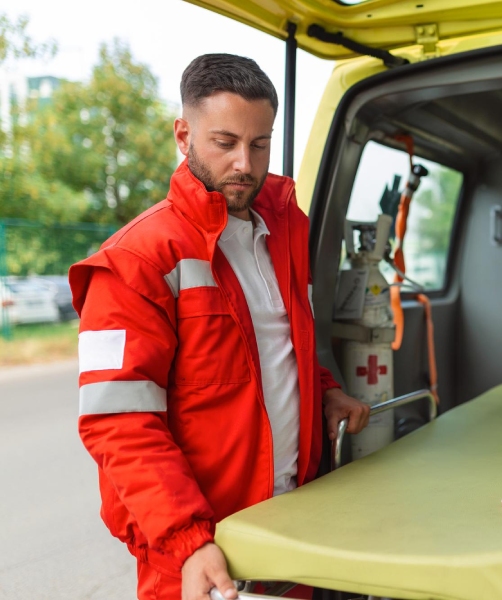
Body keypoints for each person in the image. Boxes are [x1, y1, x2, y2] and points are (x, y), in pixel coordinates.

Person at [69, 54, 371, 600]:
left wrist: (324, 393)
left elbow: (284, 349)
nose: (245, 164)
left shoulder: (284, 230)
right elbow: (118, 421)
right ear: (183, 133)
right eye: (225, 142)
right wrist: (189, 539)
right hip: (202, 549)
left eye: (260, 144)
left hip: (292, 523)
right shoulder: (136, 260)